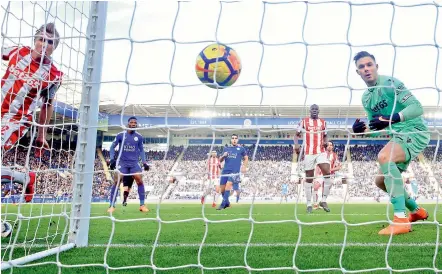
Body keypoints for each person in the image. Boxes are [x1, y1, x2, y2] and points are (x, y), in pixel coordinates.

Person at [352, 51, 429, 235]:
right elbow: (376, 127)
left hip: (414, 131)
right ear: (358, 72)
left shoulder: (390, 84)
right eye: (362, 67)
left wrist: (391, 119)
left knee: (384, 156)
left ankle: (401, 220)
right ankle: (417, 211)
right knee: (380, 181)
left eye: (369, 64)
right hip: (398, 137)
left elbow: (417, 108)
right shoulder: (367, 98)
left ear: (376, 67)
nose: (366, 69)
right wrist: (361, 131)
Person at [1, 23, 63, 203]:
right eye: (41, 39)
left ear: (54, 47)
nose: (44, 44)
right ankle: (24, 178)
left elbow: (47, 104)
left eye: (50, 42)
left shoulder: (54, 75)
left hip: (15, 120)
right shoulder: (17, 52)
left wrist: (42, 135)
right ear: (35, 40)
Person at [107, 117, 149, 213]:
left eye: (135, 122)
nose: (133, 124)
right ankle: (111, 206)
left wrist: (144, 162)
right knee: (117, 182)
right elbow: (112, 147)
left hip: (134, 163)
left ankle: (142, 205)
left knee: (139, 180)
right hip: (122, 163)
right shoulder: (120, 135)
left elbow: (141, 150)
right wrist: (112, 159)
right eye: (131, 122)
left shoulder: (139, 137)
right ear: (128, 124)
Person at [294, 104, 332, 213]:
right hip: (308, 152)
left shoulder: (323, 122)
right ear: (310, 111)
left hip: (320, 151)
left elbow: (325, 135)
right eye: (312, 109)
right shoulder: (304, 121)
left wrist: (325, 142)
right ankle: (309, 204)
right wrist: (296, 145)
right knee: (309, 178)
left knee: (327, 172)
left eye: (316, 109)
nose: (314, 111)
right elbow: (296, 135)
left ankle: (323, 200)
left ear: (319, 111)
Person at [217, 134, 248, 210]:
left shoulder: (241, 149)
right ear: (231, 140)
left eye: (236, 138)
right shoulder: (226, 149)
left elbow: (246, 158)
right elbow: (220, 161)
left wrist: (244, 166)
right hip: (225, 171)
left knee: (228, 185)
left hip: (235, 172)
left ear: (237, 140)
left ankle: (223, 204)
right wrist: (223, 156)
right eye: (233, 138)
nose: (234, 139)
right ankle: (227, 202)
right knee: (222, 189)